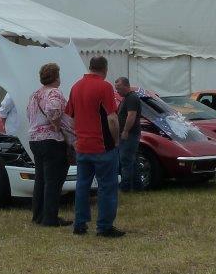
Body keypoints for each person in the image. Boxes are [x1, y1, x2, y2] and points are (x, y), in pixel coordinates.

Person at [65, 56, 123, 237]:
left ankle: (80, 224)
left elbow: (70, 118)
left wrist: (76, 138)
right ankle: (104, 226)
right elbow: (112, 118)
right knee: (107, 186)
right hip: (102, 146)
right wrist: (116, 140)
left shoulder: (75, 87)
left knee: (82, 185)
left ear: (90, 67)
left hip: (82, 146)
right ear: (104, 69)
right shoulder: (104, 87)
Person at [27, 62, 72, 227]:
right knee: (53, 180)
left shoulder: (35, 94)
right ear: (56, 77)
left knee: (40, 179)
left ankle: (38, 215)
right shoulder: (54, 93)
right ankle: (50, 218)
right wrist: (56, 123)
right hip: (51, 139)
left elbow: (29, 114)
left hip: (35, 139)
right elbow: (53, 110)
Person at [115, 77, 142, 191]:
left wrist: (125, 131)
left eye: (119, 87)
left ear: (126, 86)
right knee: (132, 161)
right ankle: (137, 186)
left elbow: (131, 115)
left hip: (130, 134)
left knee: (125, 160)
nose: (117, 91)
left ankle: (125, 187)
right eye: (116, 88)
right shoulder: (125, 98)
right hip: (127, 134)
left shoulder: (132, 98)